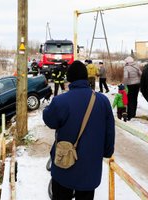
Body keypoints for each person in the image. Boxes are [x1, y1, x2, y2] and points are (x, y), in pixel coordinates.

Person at [43, 60, 115, 200]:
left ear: (69, 79)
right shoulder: (102, 101)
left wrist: (47, 109)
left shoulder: (61, 101)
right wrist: (107, 151)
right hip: (90, 166)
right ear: (85, 77)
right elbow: (109, 131)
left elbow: (50, 121)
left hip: (64, 164)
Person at [123, 56, 142, 120]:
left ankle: (129, 114)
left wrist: (124, 85)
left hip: (130, 85)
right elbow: (141, 74)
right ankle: (133, 113)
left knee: (130, 99)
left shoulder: (126, 67)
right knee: (135, 98)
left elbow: (126, 77)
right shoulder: (136, 66)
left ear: (127, 62)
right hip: (137, 84)